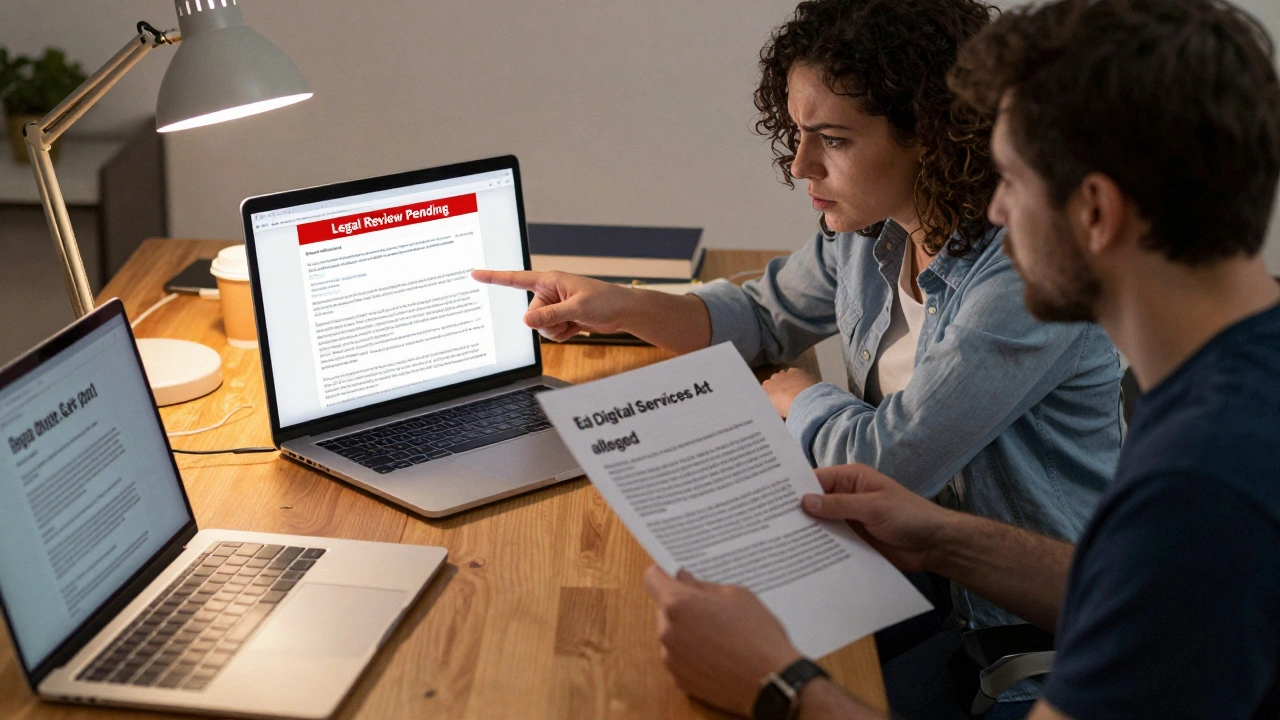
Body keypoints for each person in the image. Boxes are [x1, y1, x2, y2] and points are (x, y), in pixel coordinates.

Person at [643, 0, 1280, 718]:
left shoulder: (1202, 485)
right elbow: (1143, 588)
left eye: (1009, 180)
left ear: (1095, 213)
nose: (996, 212)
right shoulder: (1234, 381)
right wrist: (948, 540)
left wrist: (779, 686)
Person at [475, 2, 1123, 706]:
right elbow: (761, 315)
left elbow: (886, 464)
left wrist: (798, 397)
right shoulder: (869, 232)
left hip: (1037, 647)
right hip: (930, 589)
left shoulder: (1023, 276)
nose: (800, 165)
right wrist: (621, 303)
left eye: (834, 141)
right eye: (797, 132)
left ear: (932, 136)